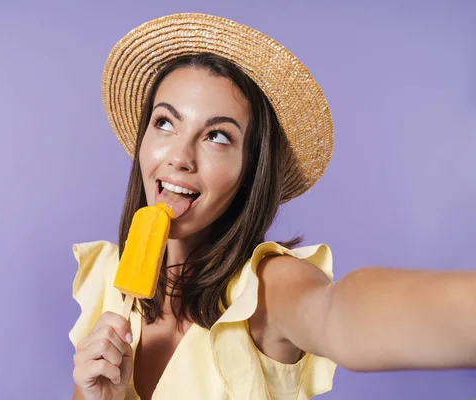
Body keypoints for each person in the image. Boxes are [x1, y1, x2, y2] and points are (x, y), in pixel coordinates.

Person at [69, 13, 476, 400]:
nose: (179, 157)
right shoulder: (106, 279)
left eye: (218, 136)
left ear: (250, 170)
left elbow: (338, 316)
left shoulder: (266, 289)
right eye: (165, 123)